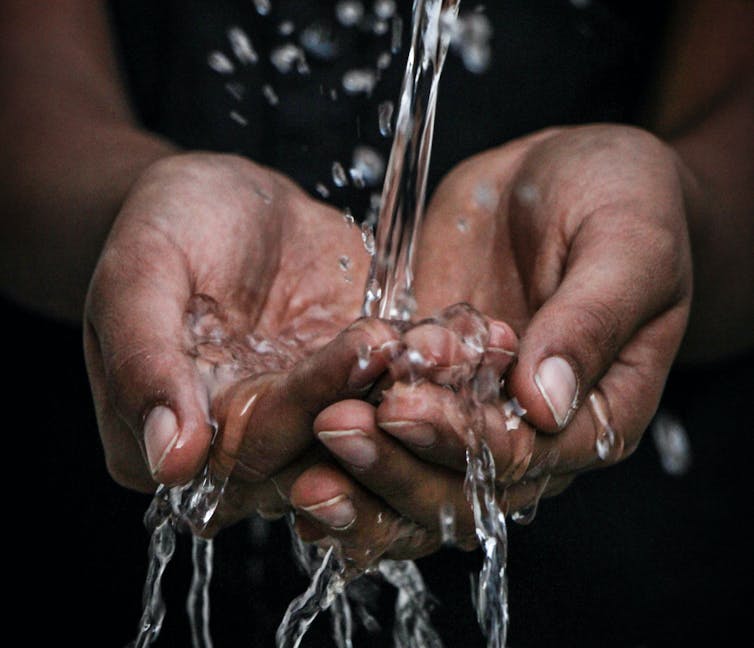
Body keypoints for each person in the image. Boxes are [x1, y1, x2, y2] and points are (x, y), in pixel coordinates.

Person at [1, 0, 752, 645]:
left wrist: (675, 211)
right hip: (77, 525)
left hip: (626, 559)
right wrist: (128, 211)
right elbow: (28, 105)